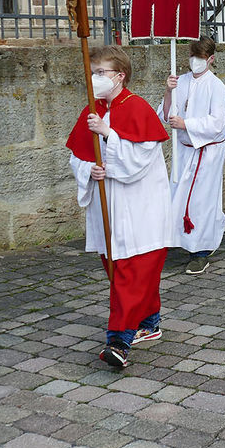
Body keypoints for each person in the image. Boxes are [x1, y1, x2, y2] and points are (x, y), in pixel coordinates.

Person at [66, 46, 172, 369]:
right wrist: (90, 171)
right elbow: (76, 158)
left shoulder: (137, 108)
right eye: (93, 72)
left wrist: (109, 135)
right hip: (108, 208)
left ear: (120, 76)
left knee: (132, 272)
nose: (96, 78)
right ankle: (149, 322)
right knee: (121, 270)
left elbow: (138, 160)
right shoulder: (92, 110)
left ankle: (119, 342)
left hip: (140, 208)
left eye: (102, 73)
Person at [158, 37, 225, 275]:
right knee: (177, 197)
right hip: (184, 150)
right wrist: (168, 91)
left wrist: (186, 124)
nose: (195, 62)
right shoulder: (181, 82)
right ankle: (179, 240)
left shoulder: (217, 86)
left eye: (200, 58)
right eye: (192, 57)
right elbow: (166, 114)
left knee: (201, 201)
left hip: (207, 151)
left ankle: (200, 252)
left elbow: (217, 123)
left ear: (210, 59)